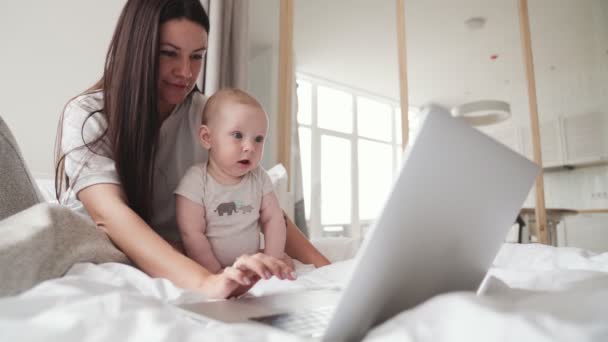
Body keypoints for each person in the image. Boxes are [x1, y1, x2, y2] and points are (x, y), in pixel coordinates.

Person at [54, 0, 330, 299]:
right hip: (107, 255)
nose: (185, 72)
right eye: (169, 54)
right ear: (136, 50)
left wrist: (328, 272)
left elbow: (262, 204)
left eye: (197, 57)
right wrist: (205, 282)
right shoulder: (88, 115)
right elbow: (110, 215)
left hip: (181, 256)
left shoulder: (207, 118)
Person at [175, 88, 285, 274]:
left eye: (258, 139)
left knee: (285, 263)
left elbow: (273, 218)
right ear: (207, 138)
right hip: (211, 268)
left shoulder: (259, 177)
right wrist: (215, 272)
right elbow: (192, 233)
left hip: (252, 266)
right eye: (237, 135)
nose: (250, 147)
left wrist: (272, 259)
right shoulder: (196, 181)